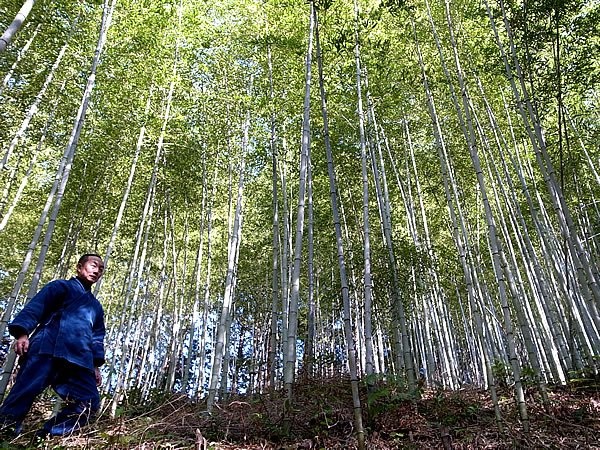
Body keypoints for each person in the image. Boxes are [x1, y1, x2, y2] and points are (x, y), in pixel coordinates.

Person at [0, 254, 106, 438]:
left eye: (101, 269)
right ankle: (3, 435)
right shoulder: (60, 287)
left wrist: (95, 365)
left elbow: (97, 336)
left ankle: (47, 435)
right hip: (47, 348)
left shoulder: (96, 306)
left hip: (79, 359)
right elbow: (36, 308)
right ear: (79, 267)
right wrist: (22, 334)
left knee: (89, 402)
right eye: (94, 265)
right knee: (23, 394)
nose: (97, 271)